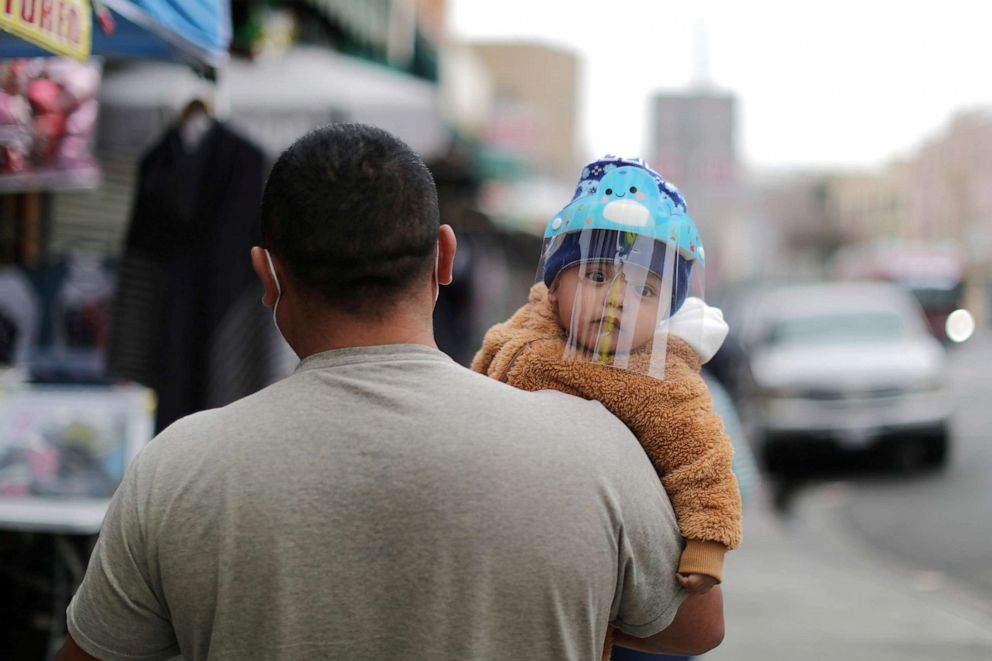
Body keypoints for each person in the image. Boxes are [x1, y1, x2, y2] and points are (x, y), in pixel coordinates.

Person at [56, 126, 723, 661]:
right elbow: (696, 628)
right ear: (444, 258)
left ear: (266, 274)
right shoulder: (597, 448)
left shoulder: (176, 469)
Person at [472, 156, 742, 658]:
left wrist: (707, 542)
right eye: (597, 276)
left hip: (622, 576)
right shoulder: (523, 332)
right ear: (555, 285)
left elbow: (701, 456)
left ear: (667, 310)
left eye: (645, 289)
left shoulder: (659, 379)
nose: (617, 299)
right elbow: (481, 375)